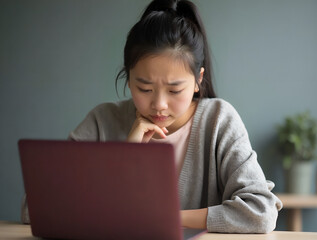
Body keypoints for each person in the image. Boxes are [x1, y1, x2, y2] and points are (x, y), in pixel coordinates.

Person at [23, 0, 282, 233]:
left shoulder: (219, 121)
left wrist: (167, 218)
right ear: (128, 77)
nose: (158, 105)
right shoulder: (102, 121)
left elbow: (261, 212)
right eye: (144, 88)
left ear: (197, 81)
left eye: (174, 90)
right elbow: (34, 209)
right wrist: (125, 157)